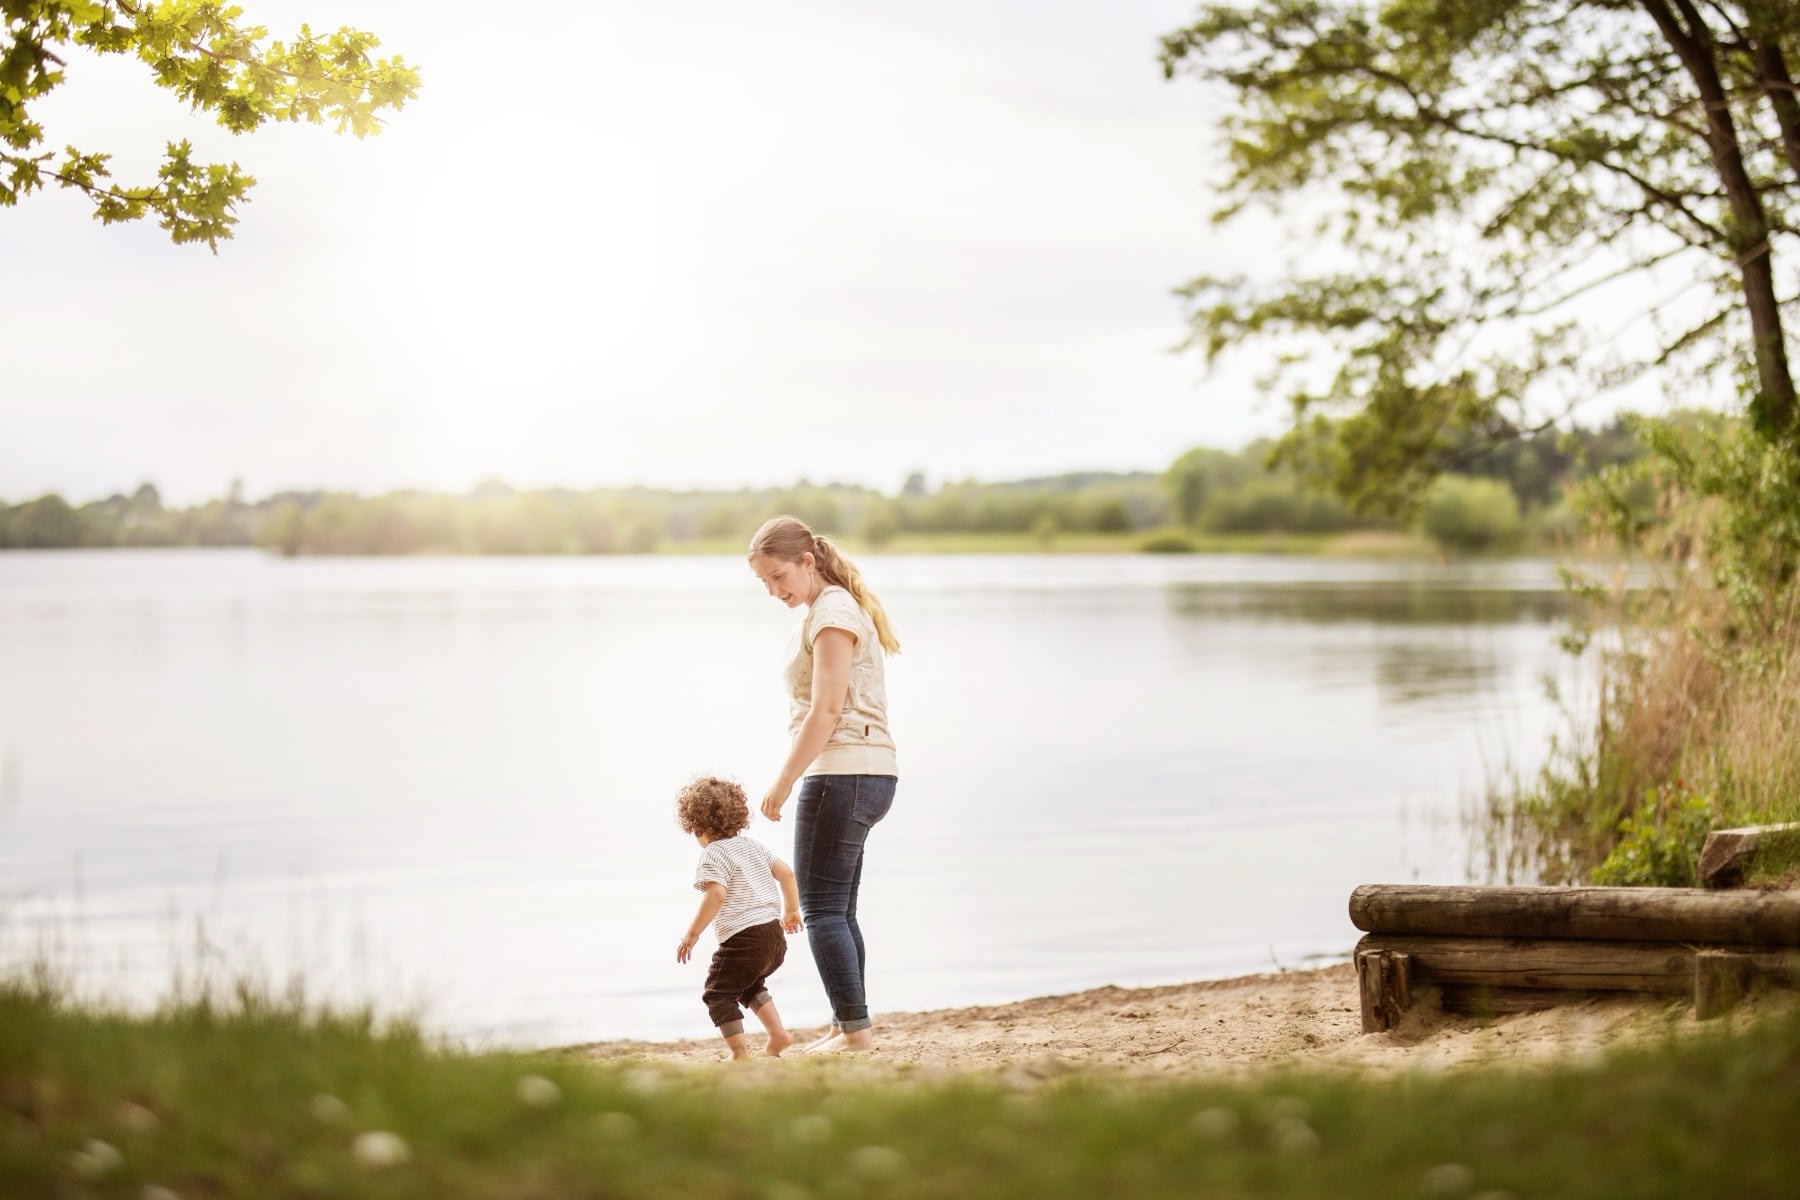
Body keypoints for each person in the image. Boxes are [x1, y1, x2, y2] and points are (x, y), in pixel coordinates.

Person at [747, 515, 900, 1054]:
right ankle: (848, 1023)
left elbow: (828, 708)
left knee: (822, 910)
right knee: (839, 908)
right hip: (867, 773)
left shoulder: (832, 612)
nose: (773, 590)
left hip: (842, 772)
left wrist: (783, 780)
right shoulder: (830, 609)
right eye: (763, 582)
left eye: (778, 576)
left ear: (807, 562)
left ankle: (854, 1034)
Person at [674, 775, 803, 1060]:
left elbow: (716, 895)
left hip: (744, 939)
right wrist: (791, 910)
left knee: (717, 993)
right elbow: (787, 874)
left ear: (695, 826)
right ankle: (778, 1035)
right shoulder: (753, 846)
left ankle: (740, 1053)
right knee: (749, 985)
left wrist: (692, 934)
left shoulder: (712, 854)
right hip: (773, 934)